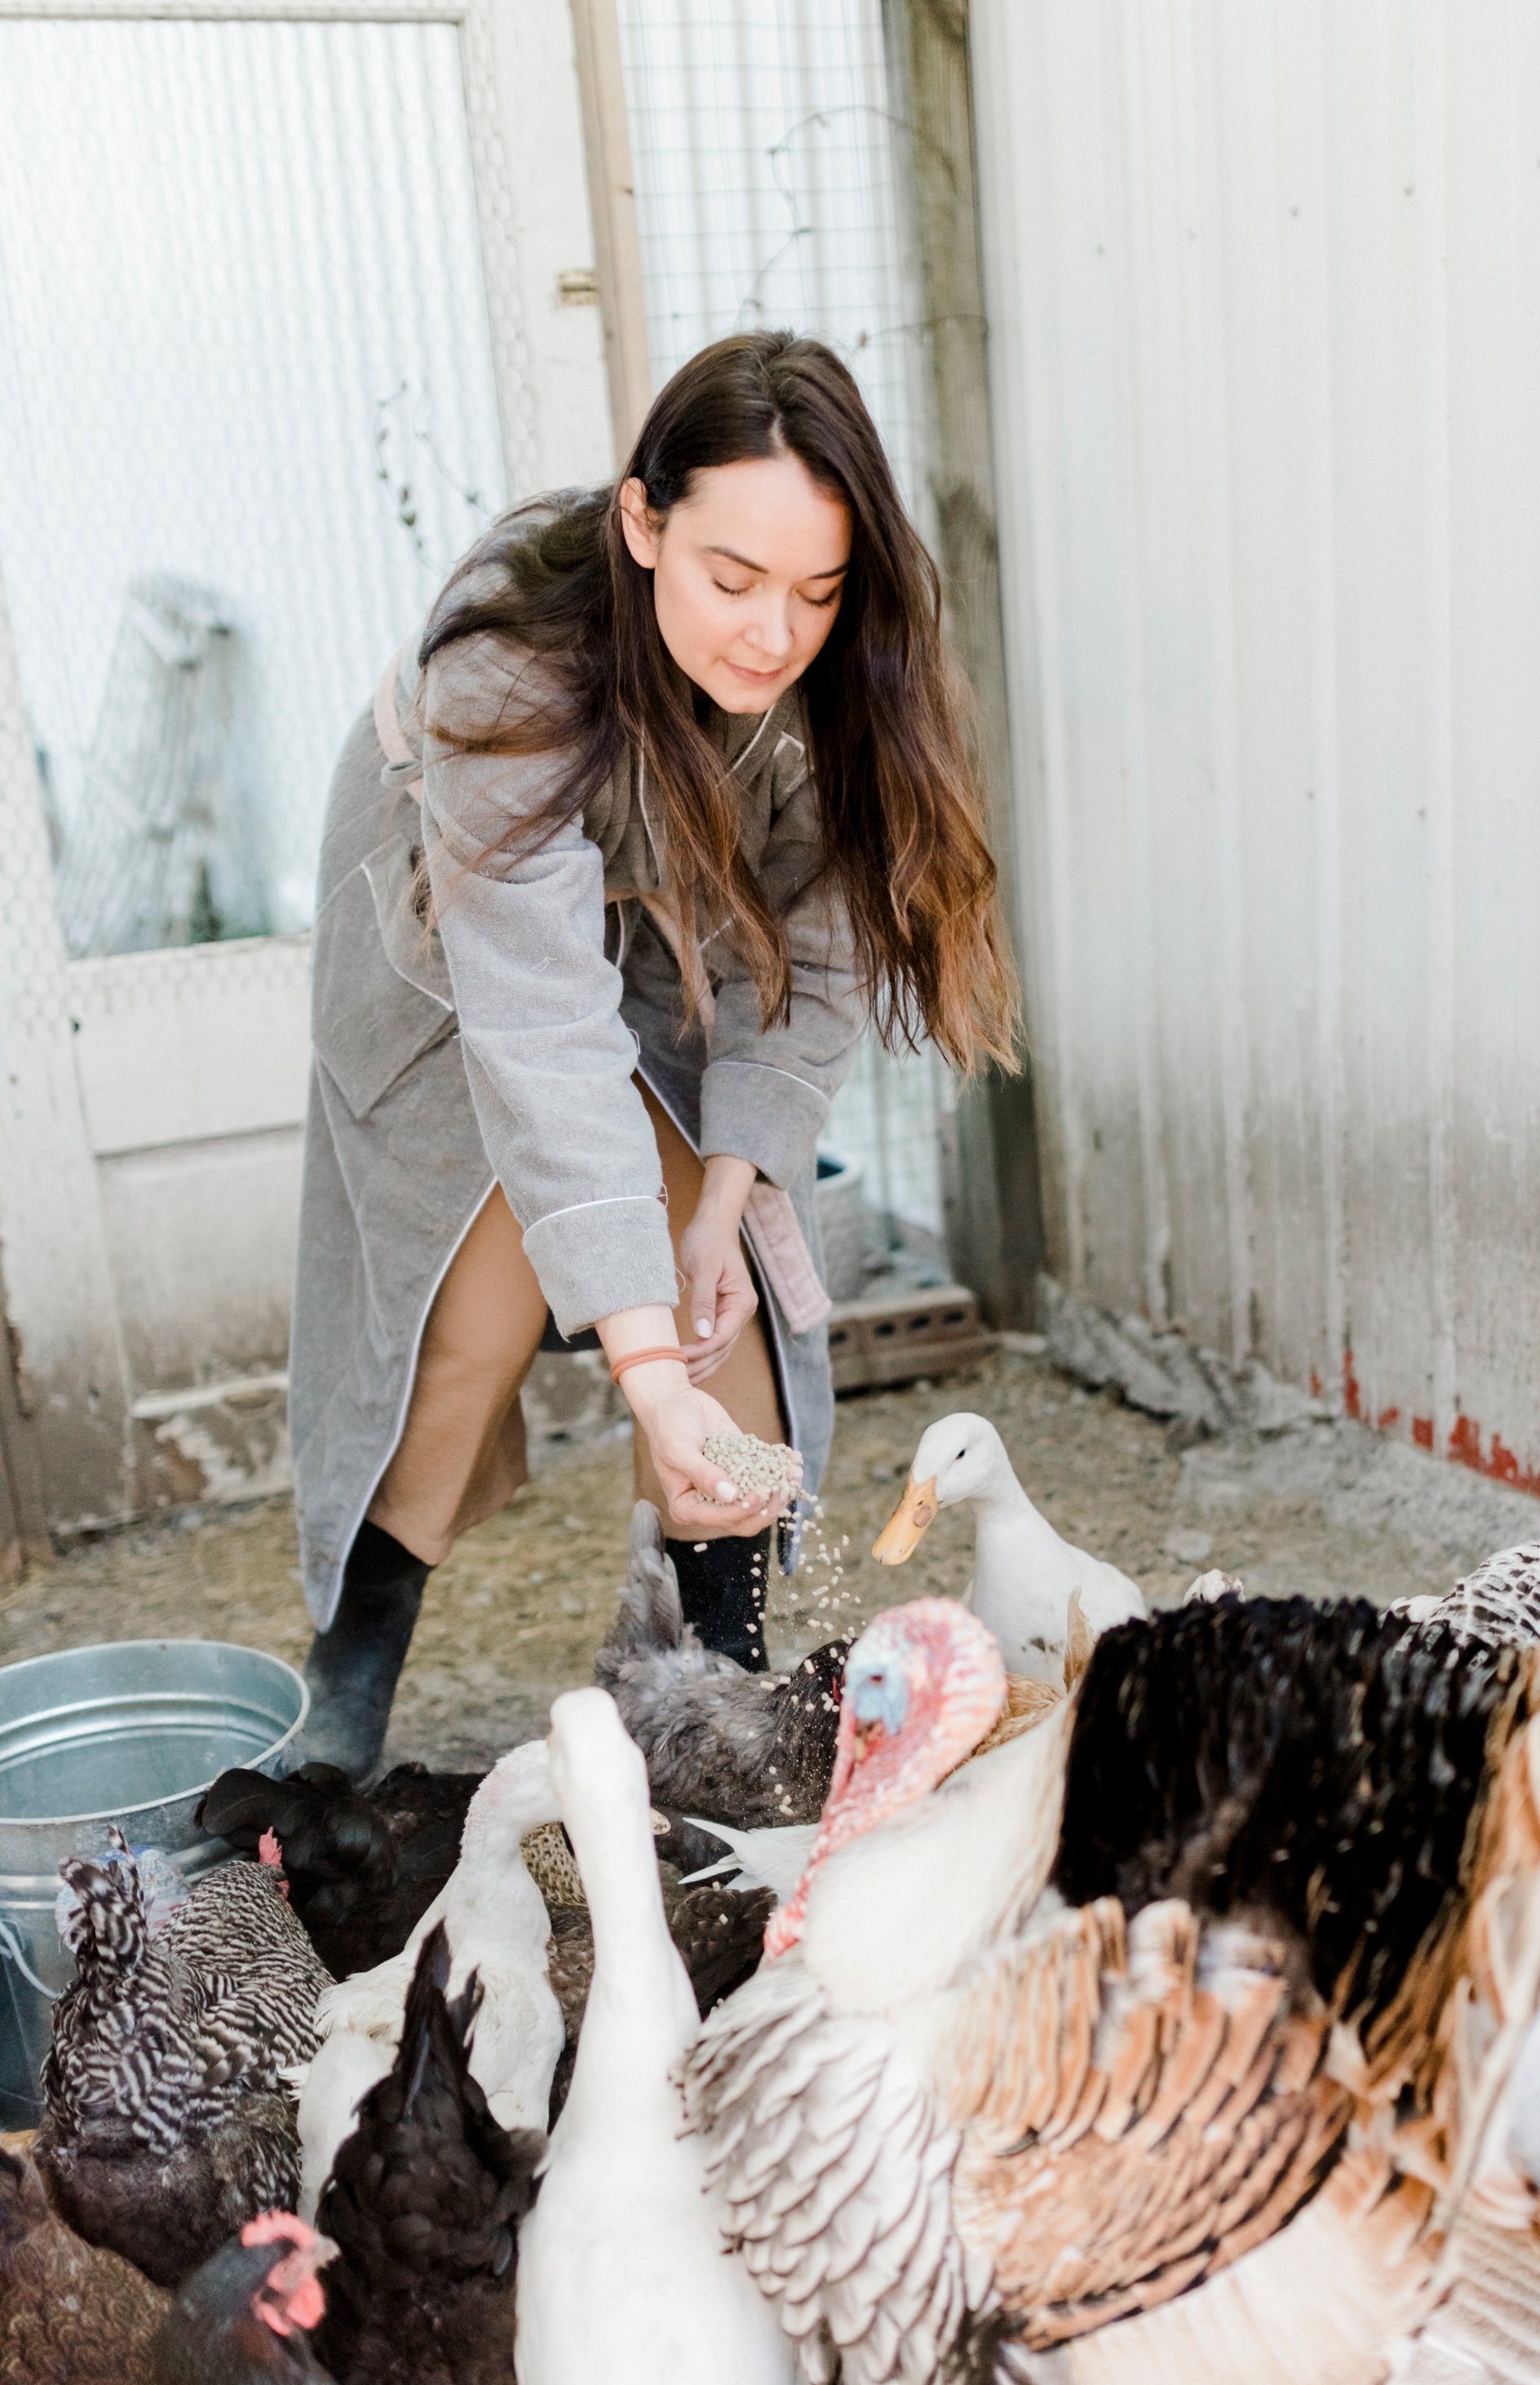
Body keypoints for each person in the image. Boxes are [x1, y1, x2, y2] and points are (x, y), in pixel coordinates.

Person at [286, 330, 1019, 1774]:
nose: (772, 631)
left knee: (722, 1281)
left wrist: (734, 1186)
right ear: (642, 522)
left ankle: (715, 1678)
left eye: (815, 590)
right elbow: (544, 1030)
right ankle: (350, 1671)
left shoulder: (823, 676)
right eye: (730, 578)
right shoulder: (503, 667)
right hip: (457, 941)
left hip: (673, 910)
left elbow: (805, 951)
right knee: (476, 1276)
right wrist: (639, 1368)